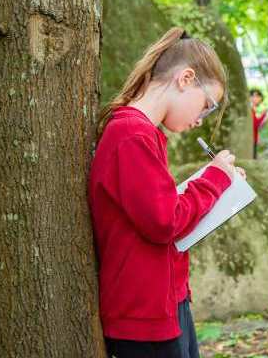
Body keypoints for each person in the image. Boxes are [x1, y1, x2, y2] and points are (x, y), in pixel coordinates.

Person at [89, 27, 244, 358]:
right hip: (142, 317)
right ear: (186, 79)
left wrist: (221, 185)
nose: (201, 119)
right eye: (207, 105)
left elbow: (159, 210)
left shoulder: (144, 134)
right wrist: (214, 178)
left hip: (166, 303)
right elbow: (164, 221)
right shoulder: (131, 133)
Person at [250, 88, 268, 159]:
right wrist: (266, 114)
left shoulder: (252, 110)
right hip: (251, 140)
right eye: (259, 99)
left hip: (253, 139)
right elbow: (256, 125)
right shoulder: (250, 109)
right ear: (254, 95)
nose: (259, 102)